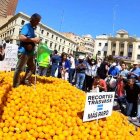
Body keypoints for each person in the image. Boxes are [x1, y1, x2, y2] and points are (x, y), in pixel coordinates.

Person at [13, 13, 41, 87]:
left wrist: (37, 40)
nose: (38, 23)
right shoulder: (27, 26)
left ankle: (25, 80)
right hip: (24, 52)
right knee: (19, 69)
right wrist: (34, 39)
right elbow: (21, 37)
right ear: (33, 20)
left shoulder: (32, 29)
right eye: (37, 21)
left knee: (32, 67)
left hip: (30, 53)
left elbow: (32, 39)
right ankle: (15, 85)